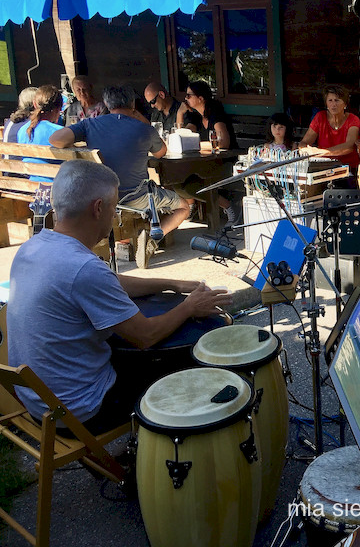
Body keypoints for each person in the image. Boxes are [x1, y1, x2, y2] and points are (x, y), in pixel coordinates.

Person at [6, 160, 232, 433]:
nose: (114, 214)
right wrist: (189, 307)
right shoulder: (83, 268)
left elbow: (111, 282)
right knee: (184, 364)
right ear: (98, 208)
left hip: (39, 403)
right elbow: (145, 336)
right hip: (83, 410)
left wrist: (172, 283)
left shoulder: (34, 246)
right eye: (114, 206)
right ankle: (177, 453)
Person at [49, 85, 191, 260]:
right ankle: (153, 240)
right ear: (132, 103)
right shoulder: (143, 128)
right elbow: (161, 152)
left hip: (100, 198)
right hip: (136, 198)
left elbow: (55, 139)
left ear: (107, 105)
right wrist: (139, 118)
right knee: (184, 206)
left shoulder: (90, 125)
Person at [182, 80, 242, 227]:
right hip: (207, 163)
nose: (186, 99)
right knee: (181, 182)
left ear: (200, 98)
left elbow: (223, 143)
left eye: (189, 95)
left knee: (192, 183)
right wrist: (180, 114)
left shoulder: (215, 114)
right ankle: (226, 206)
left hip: (227, 162)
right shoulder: (196, 116)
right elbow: (182, 136)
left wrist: (198, 145)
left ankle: (229, 207)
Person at [299, 84, 360, 186]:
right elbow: (305, 142)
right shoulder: (320, 117)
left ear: (345, 104)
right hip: (324, 169)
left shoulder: (353, 119)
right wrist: (303, 149)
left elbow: (349, 146)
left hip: (349, 170)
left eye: (337, 100)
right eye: (330, 100)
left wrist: (319, 152)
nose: (333, 104)